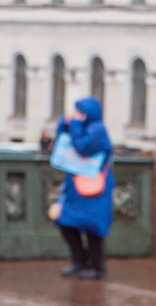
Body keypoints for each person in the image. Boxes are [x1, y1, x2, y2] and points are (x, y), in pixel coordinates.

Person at [49, 95, 114, 279]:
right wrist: (65, 122)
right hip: (76, 187)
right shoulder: (83, 126)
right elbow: (62, 137)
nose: (77, 114)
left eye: (80, 111)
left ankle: (97, 267)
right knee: (65, 221)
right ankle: (79, 261)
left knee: (93, 227)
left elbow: (83, 147)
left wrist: (75, 124)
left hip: (96, 188)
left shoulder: (98, 129)